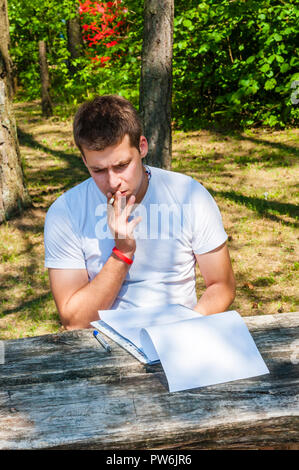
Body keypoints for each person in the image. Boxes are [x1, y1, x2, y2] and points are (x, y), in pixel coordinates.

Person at [44, 94, 236, 330]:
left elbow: (221, 285)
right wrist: (122, 253)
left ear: (142, 147)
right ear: (84, 160)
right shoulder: (65, 213)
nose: (113, 181)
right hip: (102, 347)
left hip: (181, 335)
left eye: (122, 165)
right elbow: (74, 321)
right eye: (98, 170)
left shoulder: (189, 194)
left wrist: (185, 329)